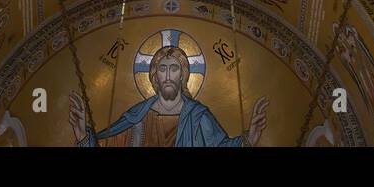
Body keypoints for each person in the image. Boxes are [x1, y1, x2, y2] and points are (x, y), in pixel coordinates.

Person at [68, 44, 267, 147]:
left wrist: (249, 138)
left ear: (183, 75)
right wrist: (82, 134)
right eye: (163, 69)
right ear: (155, 76)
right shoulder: (138, 116)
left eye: (174, 68)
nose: (169, 75)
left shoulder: (197, 116)